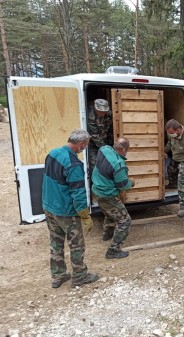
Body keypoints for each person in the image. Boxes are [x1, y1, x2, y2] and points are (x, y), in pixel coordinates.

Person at [42, 129, 99, 288]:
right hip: (66, 212)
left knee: (56, 242)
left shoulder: (53, 153)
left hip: (49, 207)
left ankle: (57, 276)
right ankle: (80, 276)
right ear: (80, 144)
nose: (85, 148)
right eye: (85, 145)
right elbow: (78, 194)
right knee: (77, 244)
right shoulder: (74, 164)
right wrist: (85, 216)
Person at [91, 137, 135, 259]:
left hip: (96, 191)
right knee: (125, 221)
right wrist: (131, 182)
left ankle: (107, 235)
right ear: (124, 150)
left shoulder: (103, 149)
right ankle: (113, 251)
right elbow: (122, 186)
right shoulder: (119, 164)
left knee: (110, 213)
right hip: (108, 195)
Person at [88, 98, 114, 177]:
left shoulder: (110, 113)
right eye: (100, 112)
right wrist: (106, 149)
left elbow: (111, 129)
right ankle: (95, 185)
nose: (102, 114)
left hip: (106, 141)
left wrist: (111, 145)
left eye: (104, 112)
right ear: (96, 109)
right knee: (95, 165)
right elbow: (94, 135)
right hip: (94, 145)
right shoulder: (91, 116)